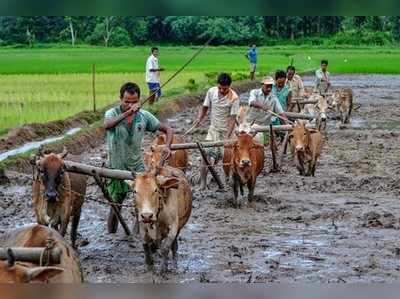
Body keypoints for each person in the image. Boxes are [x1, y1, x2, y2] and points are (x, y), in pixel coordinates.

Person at [104, 82, 173, 233]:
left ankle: (138, 235)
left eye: (134, 102)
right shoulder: (112, 113)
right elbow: (107, 125)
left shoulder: (144, 116)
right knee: (115, 206)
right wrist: (127, 113)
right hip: (116, 168)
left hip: (138, 169)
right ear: (120, 99)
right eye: (126, 101)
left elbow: (167, 128)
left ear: (139, 100)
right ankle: (111, 236)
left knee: (143, 204)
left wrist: (167, 145)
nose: (130, 105)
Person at [193, 73, 239, 190]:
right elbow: (205, 108)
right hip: (213, 130)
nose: (222, 90)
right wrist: (199, 119)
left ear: (229, 87)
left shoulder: (234, 97)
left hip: (226, 132)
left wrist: (227, 137)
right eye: (220, 88)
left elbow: (233, 119)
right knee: (205, 156)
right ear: (217, 85)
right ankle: (203, 184)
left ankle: (225, 183)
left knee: (225, 159)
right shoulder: (211, 91)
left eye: (225, 89)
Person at [247, 76, 286, 145]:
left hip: (265, 127)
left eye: (271, 87)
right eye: (267, 86)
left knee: (264, 145)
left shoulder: (273, 98)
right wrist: (261, 106)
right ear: (262, 85)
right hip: (251, 125)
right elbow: (252, 102)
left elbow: (280, 114)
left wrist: (286, 127)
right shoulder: (254, 93)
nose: (269, 89)